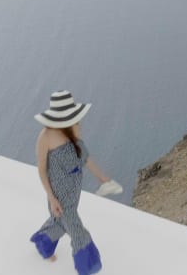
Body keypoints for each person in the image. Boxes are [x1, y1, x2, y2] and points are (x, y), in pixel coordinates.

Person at [29, 90, 122, 275]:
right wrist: (52, 198)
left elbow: (84, 157)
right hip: (58, 191)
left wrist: (102, 178)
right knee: (76, 229)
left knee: (61, 222)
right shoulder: (45, 137)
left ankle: (43, 242)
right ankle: (88, 268)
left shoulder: (74, 128)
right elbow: (41, 169)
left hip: (74, 187)